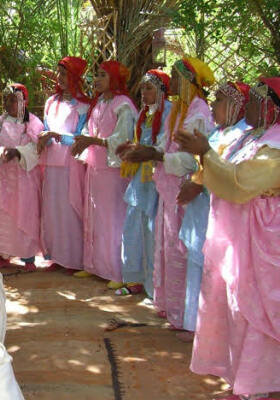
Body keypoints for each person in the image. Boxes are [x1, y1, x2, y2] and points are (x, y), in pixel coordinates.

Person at [177, 77, 280, 400]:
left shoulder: (276, 146)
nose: (246, 104)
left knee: (256, 308)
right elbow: (219, 170)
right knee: (236, 305)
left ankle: (258, 385)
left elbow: (240, 181)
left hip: (263, 237)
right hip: (240, 236)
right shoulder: (250, 137)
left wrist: (205, 152)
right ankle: (243, 380)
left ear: (269, 107)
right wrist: (204, 156)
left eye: (254, 100)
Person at [124, 58, 214, 329]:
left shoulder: (199, 112)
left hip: (186, 191)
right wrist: (145, 152)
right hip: (169, 189)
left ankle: (188, 318)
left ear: (188, 81)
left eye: (175, 77)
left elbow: (192, 159)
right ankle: (171, 308)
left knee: (183, 251)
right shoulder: (181, 111)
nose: (171, 82)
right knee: (167, 247)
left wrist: (154, 154)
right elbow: (164, 146)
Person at [176, 81, 250, 342]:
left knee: (216, 270)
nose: (213, 105)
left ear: (235, 106)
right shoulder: (220, 132)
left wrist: (197, 184)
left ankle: (211, 332)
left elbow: (228, 171)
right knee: (199, 264)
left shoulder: (243, 135)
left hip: (220, 211)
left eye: (219, 100)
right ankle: (194, 324)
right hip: (203, 211)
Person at [70, 60, 137, 288]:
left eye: (102, 75)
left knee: (112, 219)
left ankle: (116, 271)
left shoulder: (124, 105)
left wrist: (93, 140)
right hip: (96, 168)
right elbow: (90, 130)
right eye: (96, 75)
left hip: (113, 171)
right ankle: (94, 265)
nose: (96, 79)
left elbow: (123, 139)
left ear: (115, 79)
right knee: (95, 217)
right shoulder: (98, 103)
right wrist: (84, 140)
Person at [115, 69, 172, 296]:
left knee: (152, 232)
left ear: (161, 91)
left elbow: (165, 146)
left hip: (157, 179)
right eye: (143, 88)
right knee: (133, 228)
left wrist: (143, 151)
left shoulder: (169, 112)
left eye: (149, 88)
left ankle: (154, 286)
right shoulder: (143, 113)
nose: (144, 93)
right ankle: (134, 279)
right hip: (140, 179)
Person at [0, 83, 43, 271]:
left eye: (13, 99)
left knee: (24, 213)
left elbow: (37, 148)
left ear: (23, 101)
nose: (8, 103)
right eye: (6, 99)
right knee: (1, 216)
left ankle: (27, 256)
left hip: (23, 178)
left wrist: (17, 153)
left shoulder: (33, 123)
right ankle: (1, 254)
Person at [36, 56, 89, 273]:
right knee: (52, 209)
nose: (60, 78)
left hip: (71, 163)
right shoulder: (51, 102)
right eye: (59, 73)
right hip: (51, 163)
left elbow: (83, 136)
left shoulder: (85, 105)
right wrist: (44, 138)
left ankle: (73, 258)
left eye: (65, 73)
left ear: (75, 76)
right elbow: (47, 128)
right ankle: (56, 255)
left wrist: (59, 136)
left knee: (70, 208)